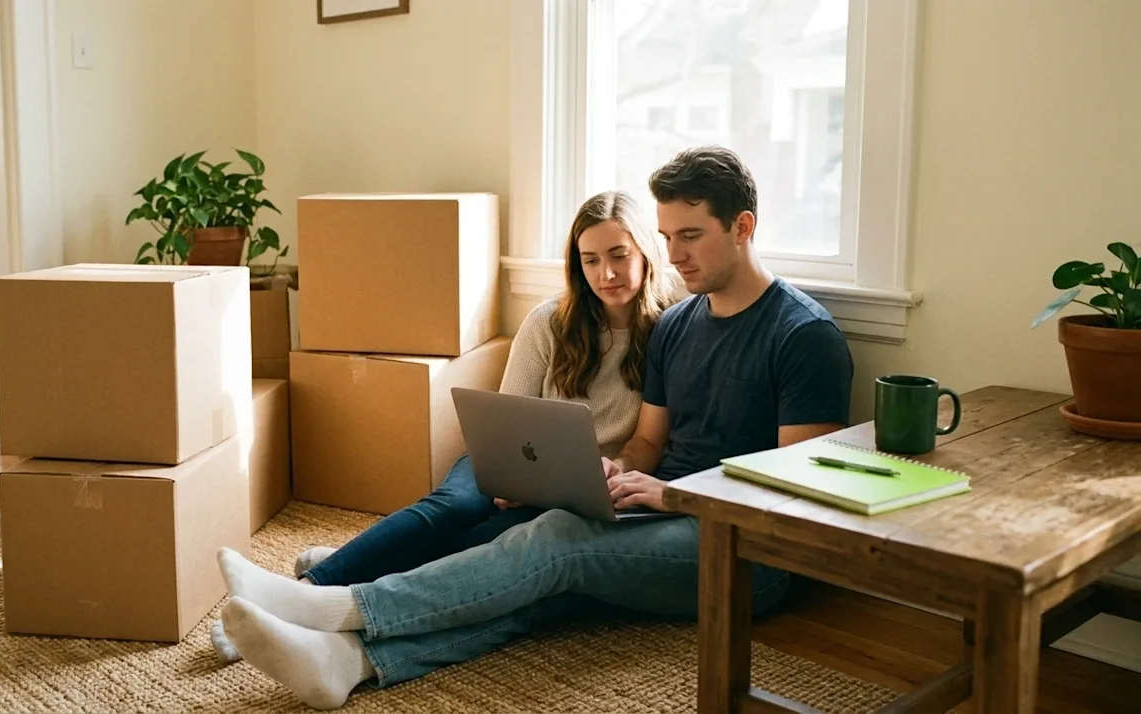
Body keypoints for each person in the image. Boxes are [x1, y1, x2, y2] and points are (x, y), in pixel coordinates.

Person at [212, 145, 856, 709]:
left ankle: (340, 605)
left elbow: (791, 496)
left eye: (690, 235)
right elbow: (650, 443)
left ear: (743, 226)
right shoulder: (682, 327)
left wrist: (671, 494)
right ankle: (350, 663)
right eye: (666, 236)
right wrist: (619, 472)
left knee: (553, 542)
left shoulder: (802, 336)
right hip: (662, 517)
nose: (674, 254)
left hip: (747, 554)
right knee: (538, 590)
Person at [211, 189, 673, 662]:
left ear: (646, 253)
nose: (606, 274)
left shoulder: (668, 332)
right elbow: (507, 416)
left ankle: (348, 578)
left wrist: (610, 467)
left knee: (483, 546)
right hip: (510, 461)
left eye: (619, 256)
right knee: (450, 508)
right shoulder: (548, 321)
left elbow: (648, 439)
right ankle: (310, 587)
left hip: (579, 490)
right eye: (591, 260)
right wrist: (515, 474)